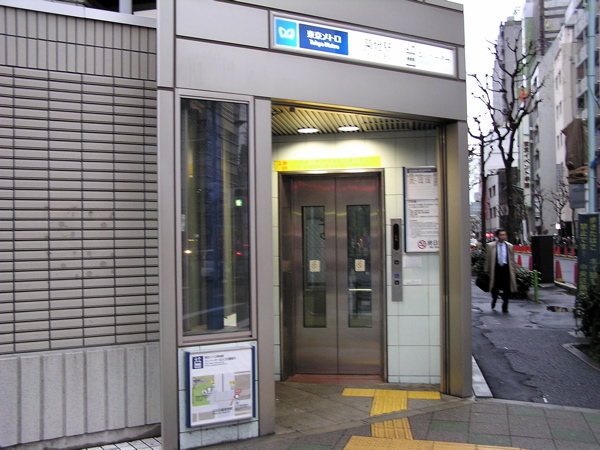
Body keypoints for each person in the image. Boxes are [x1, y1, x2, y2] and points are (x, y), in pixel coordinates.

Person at [484, 228, 517, 313]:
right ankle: (494, 299)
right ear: (497, 236)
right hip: (496, 268)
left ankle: (505, 305)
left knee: (507, 288)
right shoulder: (491, 246)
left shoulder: (509, 246)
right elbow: (488, 259)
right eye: (501, 235)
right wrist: (486, 270)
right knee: (495, 287)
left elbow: (512, 259)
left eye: (504, 235)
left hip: (506, 269)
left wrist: (515, 270)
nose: (503, 236)